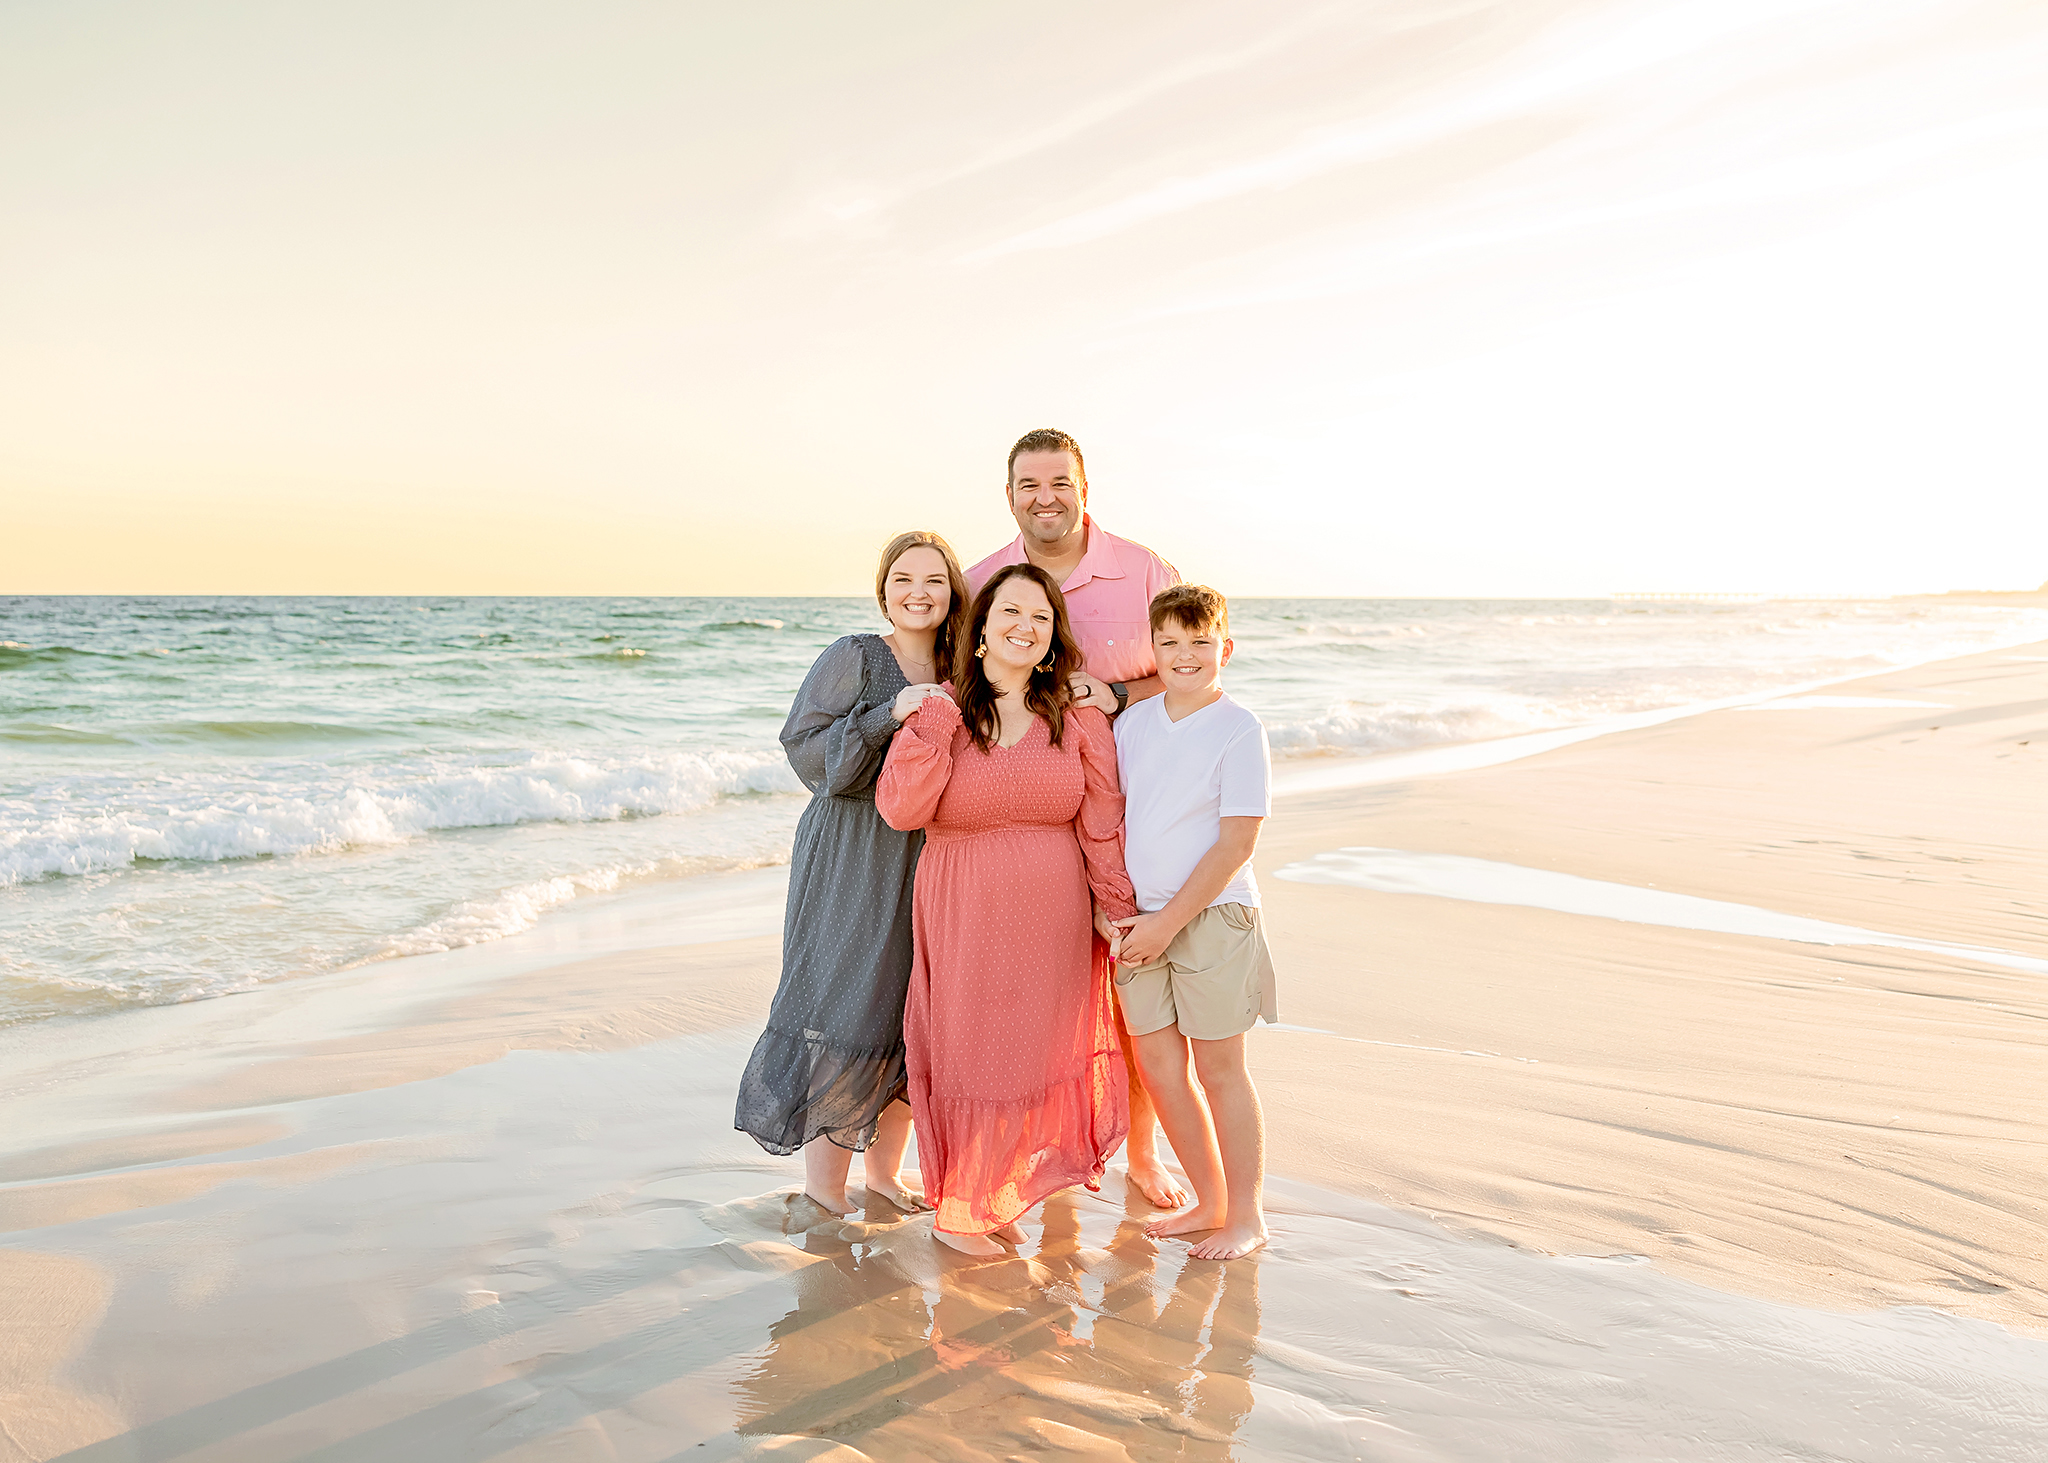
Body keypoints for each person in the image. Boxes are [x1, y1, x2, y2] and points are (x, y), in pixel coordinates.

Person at [875, 563, 1136, 1256]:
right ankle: (958, 1207)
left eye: (1040, 618)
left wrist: (1115, 905)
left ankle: (999, 1192)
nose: (1025, 626)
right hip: (965, 908)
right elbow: (901, 809)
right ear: (982, 627)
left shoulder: (1076, 716)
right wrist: (929, 720)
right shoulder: (947, 712)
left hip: (1054, 914)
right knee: (972, 1052)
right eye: (1010, 613)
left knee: (1035, 1051)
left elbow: (1103, 819)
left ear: (1053, 638)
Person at [966, 427, 1188, 1211]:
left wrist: (1122, 696)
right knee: (1034, 993)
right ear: (1010, 495)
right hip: (1029, 816)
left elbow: (1201, 664)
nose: (1045, 497)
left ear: (1085, 488)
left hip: (1144, 810)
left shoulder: (1144, 570)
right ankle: (1039, 1153)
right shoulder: (982, 580)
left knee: (1134, 987)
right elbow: (961, 686)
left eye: (1059, 482)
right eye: (1029, 485)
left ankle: (1144, 1155)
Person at [734, 530, 969, 1215]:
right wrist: (884, 714)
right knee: (842, 1002)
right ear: (883, 590)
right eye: (903, 579)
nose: (918, 592)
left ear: (953, 590)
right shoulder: (858, 657)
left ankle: (886, 1178)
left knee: (906, 1009)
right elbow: (803, 751)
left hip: (927, 849)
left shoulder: (963, 669)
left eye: (933, 579)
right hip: (851, 847)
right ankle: (824, 1190)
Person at [1109, 585, 1277, 1259]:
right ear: (1153, 652)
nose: (1185, 655)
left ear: (1224, 650)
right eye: (1170, 643)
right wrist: (1114, 913)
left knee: (1219, 1068)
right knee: (1156, 1065)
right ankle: (1208, 1200)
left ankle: (1247, 1215)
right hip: (1137, 922)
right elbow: (1112, 818)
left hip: (1213, 916)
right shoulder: (1133, 725)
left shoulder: (1239, 728)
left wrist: (1168, 923)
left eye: (1200, 642)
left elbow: (1238, 841)